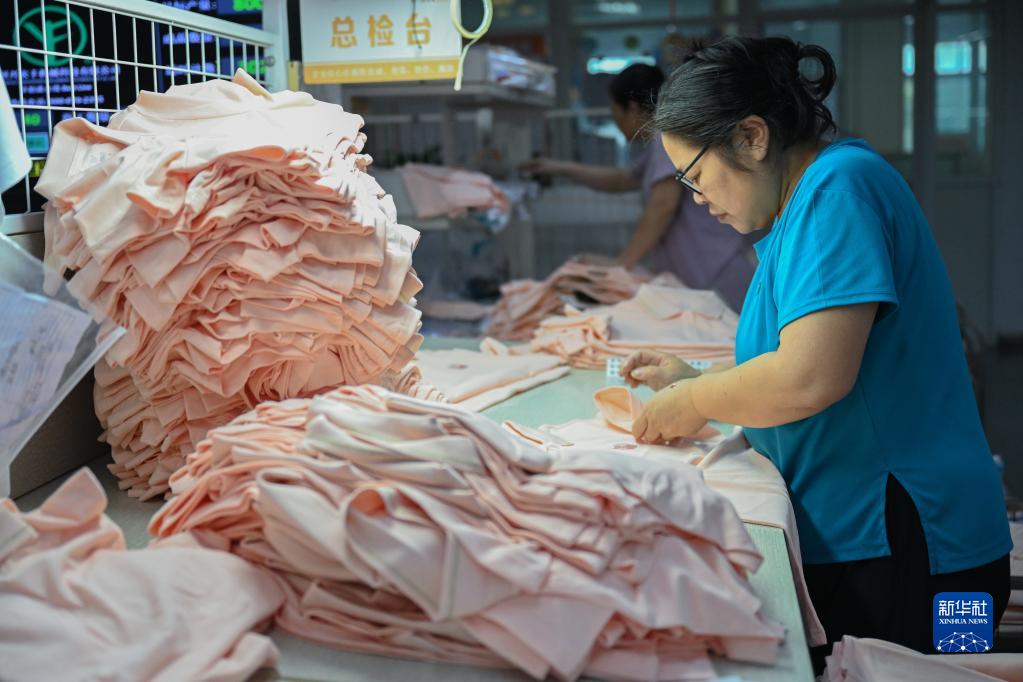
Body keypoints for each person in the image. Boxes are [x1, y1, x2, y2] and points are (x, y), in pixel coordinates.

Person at [619, 36, 1012, 671]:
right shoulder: (803, 208)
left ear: (752, 137)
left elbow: (811, 376)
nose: (697, 199)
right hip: (879, 538)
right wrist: (702, 377)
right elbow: (804, 354)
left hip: (927, 550)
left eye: (696, 177)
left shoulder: (837, 192)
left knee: (949, 670)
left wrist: (695, 399)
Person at [522, 63, 754, 312]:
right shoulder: (661, 144)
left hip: (714, 269)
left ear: (632, 108)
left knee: (737, 332)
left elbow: (664, 204)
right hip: (708, 266)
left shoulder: (666, 138)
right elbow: (624, 179)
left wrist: (623, 264)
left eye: (615, 112)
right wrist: (559, 167)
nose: (615, 120)